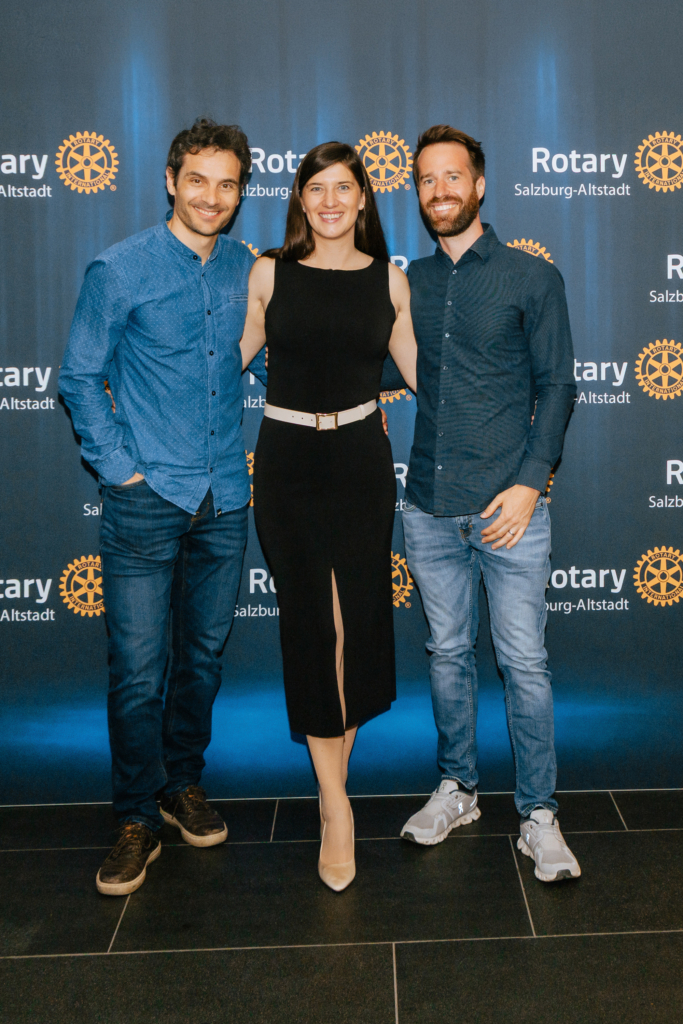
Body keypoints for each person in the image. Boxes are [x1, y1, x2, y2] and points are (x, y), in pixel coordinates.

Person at [59, 118, 266, 895]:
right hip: (146, 501)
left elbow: (276, 356)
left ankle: (181, 785)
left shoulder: (248, 267)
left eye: (227, 183)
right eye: (198, 180)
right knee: (140, 672)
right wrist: (122, 473)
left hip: (226, 496)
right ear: (171, 181)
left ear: (240, 191)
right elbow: (79, 376)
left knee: (202, 660)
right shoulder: (119, 269)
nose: (212, 197)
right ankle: (136, 817)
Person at [398, 125, 581, 882]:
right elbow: (364, 358)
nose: (439, 190)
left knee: (524, 663)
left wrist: (530, 481)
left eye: (453, 176)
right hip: (428, 506)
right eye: (426, 179)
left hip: (510, 511)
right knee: (446, 656)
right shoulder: (406, 282)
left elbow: (558, 385)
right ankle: (458, 789)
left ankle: (538, 814)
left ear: (478, 185)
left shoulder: (530, 277)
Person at [239, 142, 417, 891]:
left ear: (363, 198)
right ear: (300, 199)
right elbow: (219, 364)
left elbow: (427, 376)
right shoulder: (268, 273)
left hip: (360, 463)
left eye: (344, 187)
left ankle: (330, 789)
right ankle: (336, 806)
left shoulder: (389, 280)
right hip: (287, 463)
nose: (330, 201)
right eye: (316, 188)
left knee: (355, 625)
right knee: (314, 624)